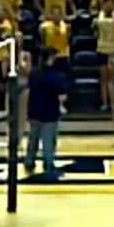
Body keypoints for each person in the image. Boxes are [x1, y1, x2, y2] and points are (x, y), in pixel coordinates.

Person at [25, 47, 68, 175]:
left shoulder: (33, 74)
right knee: (48, 140)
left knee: (33, 139)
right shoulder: (57, 76)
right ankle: (48, 163)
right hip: (50, 113)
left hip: (34, 111)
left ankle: (29, 161)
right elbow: (62, 96)